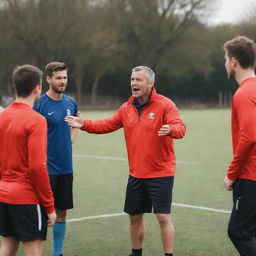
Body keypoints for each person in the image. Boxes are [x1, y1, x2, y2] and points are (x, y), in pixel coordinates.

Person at [65, 66, 186, 256]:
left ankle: (168, 255)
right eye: (132, 79)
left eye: (138, 80)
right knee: (135, 216)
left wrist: (171, 130)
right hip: (136, 173)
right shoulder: (126, 108)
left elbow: (180, 127)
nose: (134, 83)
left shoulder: (165, 105)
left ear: (150, 83)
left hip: (161, 172)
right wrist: (85, 124)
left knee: (163, 217)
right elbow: (107, 124)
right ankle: (136, 253)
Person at [0, 64, 56, 256]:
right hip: (26, 197)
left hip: (4, 195)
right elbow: (37, 167)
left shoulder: (2, 116)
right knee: (33, 250)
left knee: (7, 247)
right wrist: (49, 206)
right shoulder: (36, 120)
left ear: (15, 87)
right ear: (37, 88)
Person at [34, 62, 78, 256]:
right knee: (43, 216)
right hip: (45, 170)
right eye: (59, 78)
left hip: (66, 169)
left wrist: (70, 140)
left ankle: (57, 253)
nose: (63, 81)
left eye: (65, 77)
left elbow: (77, 121)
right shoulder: (40, 104)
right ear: (48, 79)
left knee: (62, 213)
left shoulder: (71, 103)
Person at [223, 36, 256, 256]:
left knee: (239, 231)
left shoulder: (243, 94)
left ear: (234, 61)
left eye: (226, 58)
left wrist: (231, 174)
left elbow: (249, 137)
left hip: (250, 176)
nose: (225, 63)